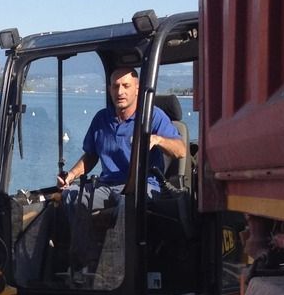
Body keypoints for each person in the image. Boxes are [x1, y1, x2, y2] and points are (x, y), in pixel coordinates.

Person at [55, 65, 186, 276]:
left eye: (126, 86)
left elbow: (181, 150)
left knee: (128, 204)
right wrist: (70, 175)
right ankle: (85, 266)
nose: (120, 92)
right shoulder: (101, 119)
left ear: (137, 89)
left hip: (144, 185)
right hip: (108, 185)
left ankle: (117, 271)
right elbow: (91, 155)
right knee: (71, 195)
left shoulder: (153, 116)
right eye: (115, 86)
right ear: (109, 89)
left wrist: (158, 140)